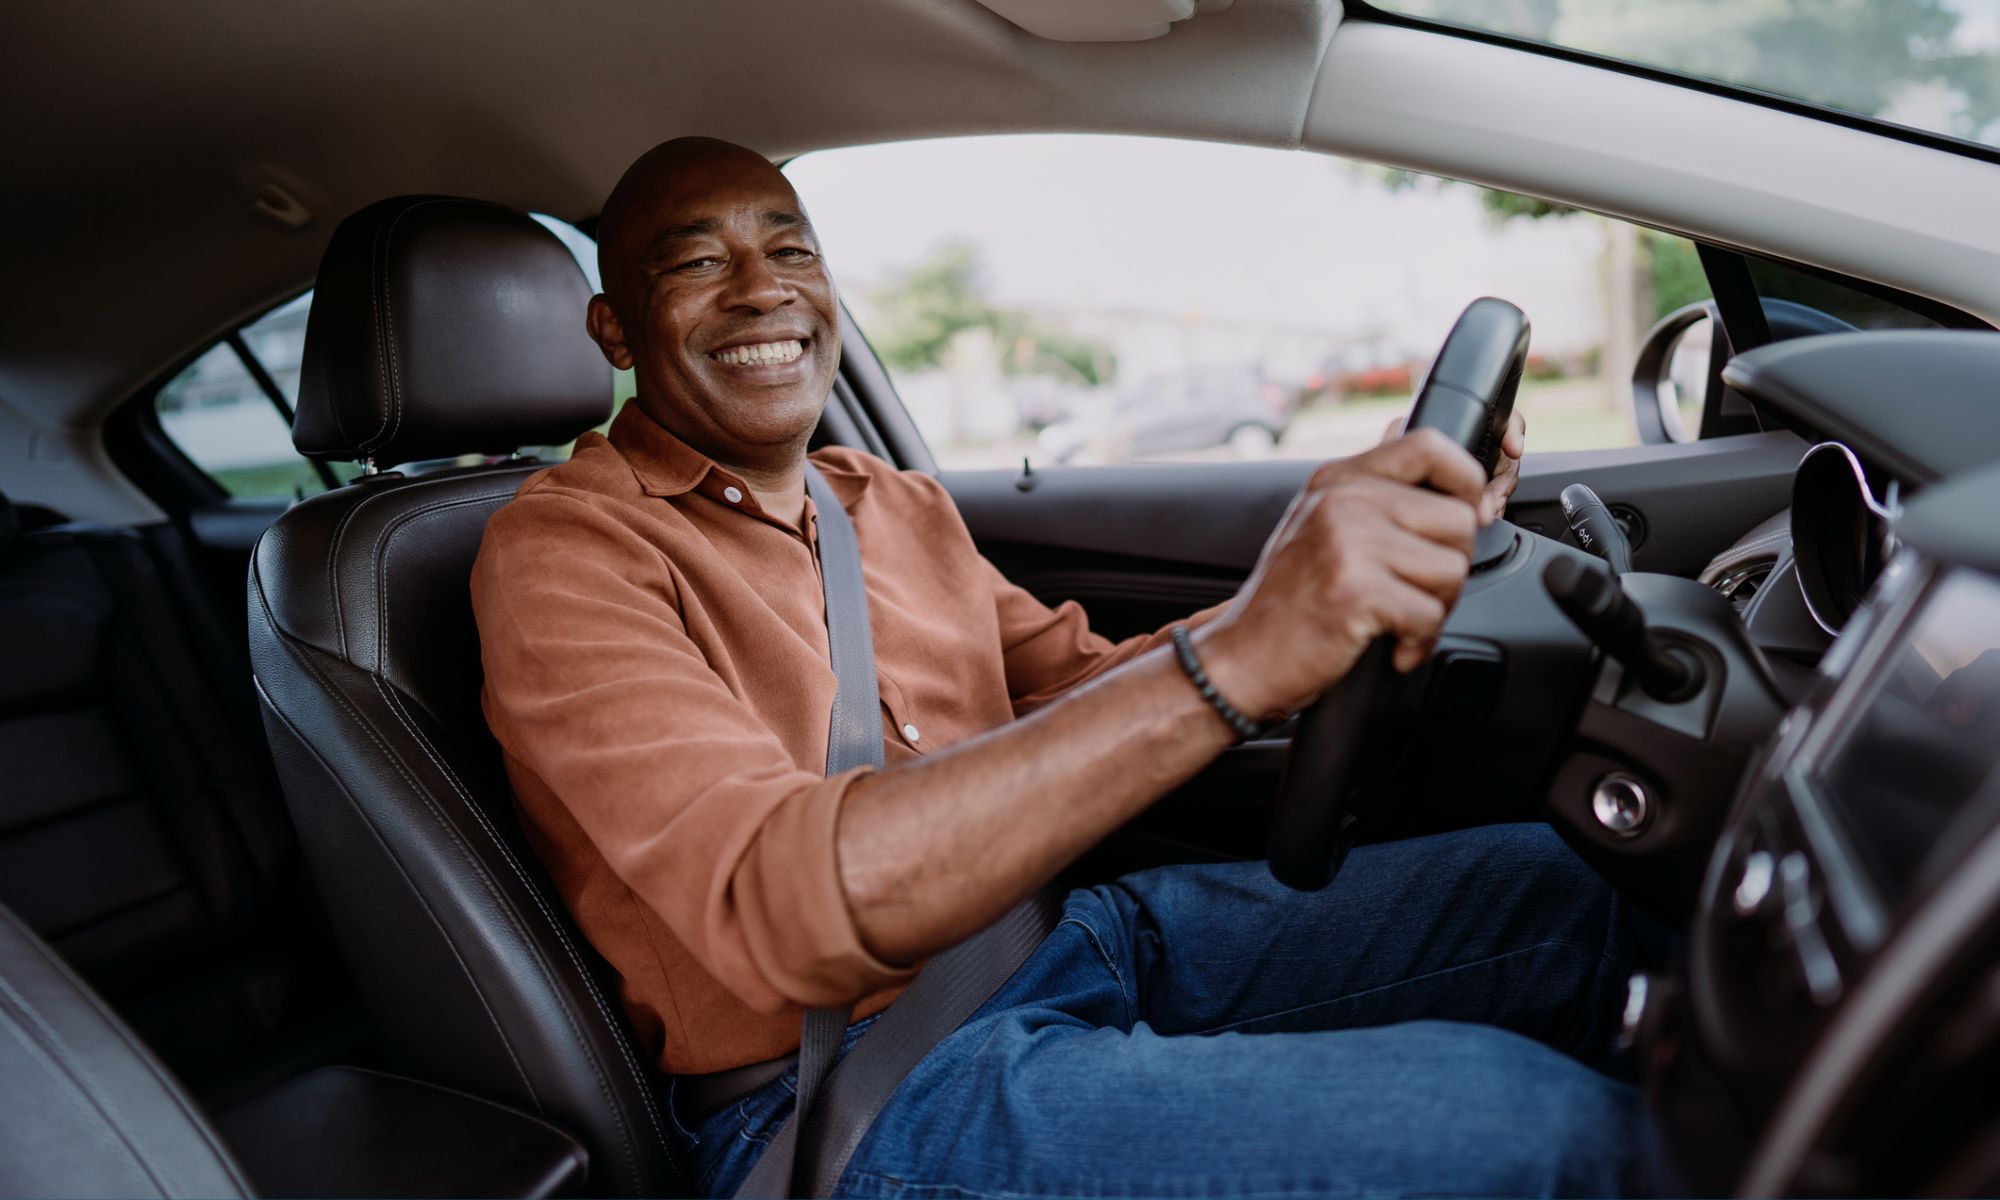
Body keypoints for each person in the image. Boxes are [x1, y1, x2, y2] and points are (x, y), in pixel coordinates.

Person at [471, 137, 1652, 1198]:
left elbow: (1079, 692)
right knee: (1529, 1133)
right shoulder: (566, 551)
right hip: (839, 1098)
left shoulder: (885, 502)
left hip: (1055, 943)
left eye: (791, 248)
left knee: (1573, 889)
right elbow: (783, 910)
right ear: (616, 329)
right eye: (694, 262)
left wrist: (1326, 584)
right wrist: (1243, 648)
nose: (762, 287)